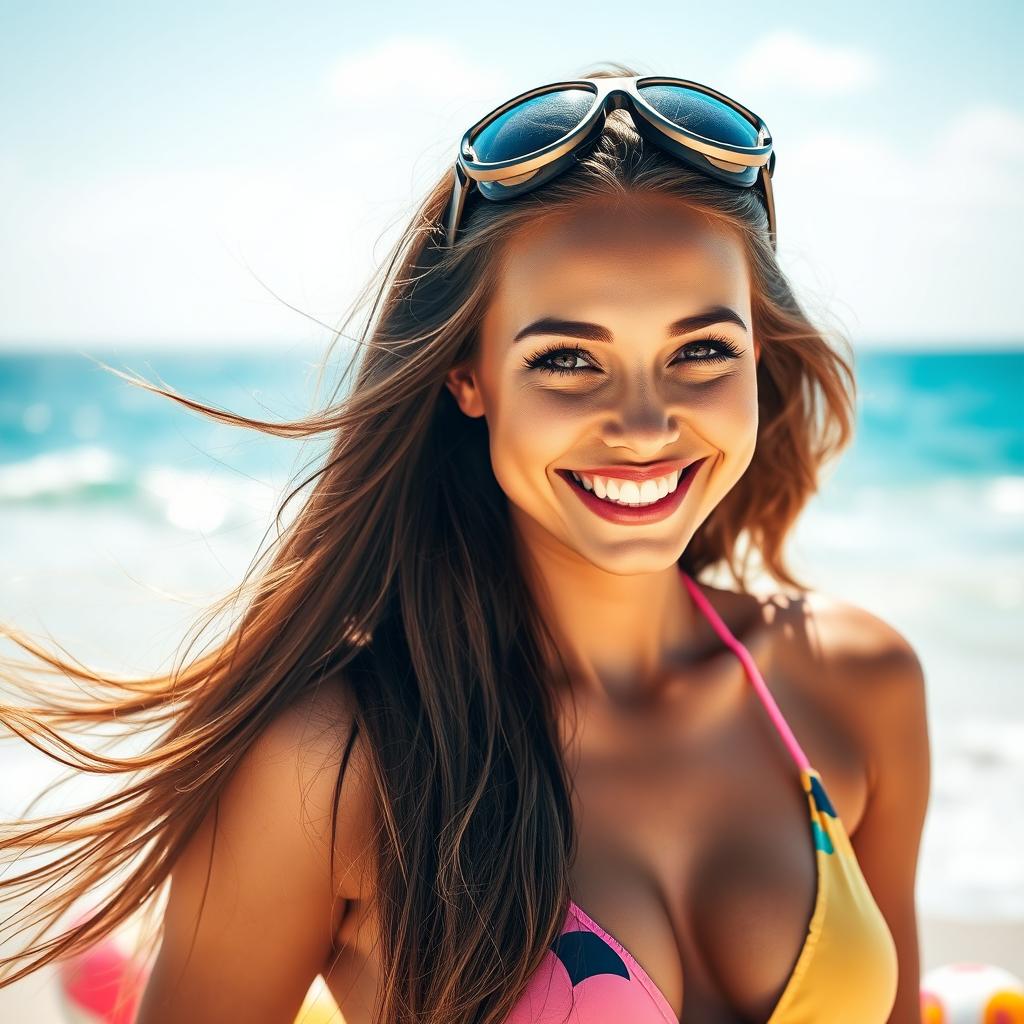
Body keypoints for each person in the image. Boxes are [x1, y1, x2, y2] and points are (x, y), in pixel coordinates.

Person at [0, 60, 930, 1024]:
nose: (647, 425)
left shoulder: (857, 686)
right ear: (468, 378)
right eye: (568, 360)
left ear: (760, 355)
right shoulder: (334, 766)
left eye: (701, 351)